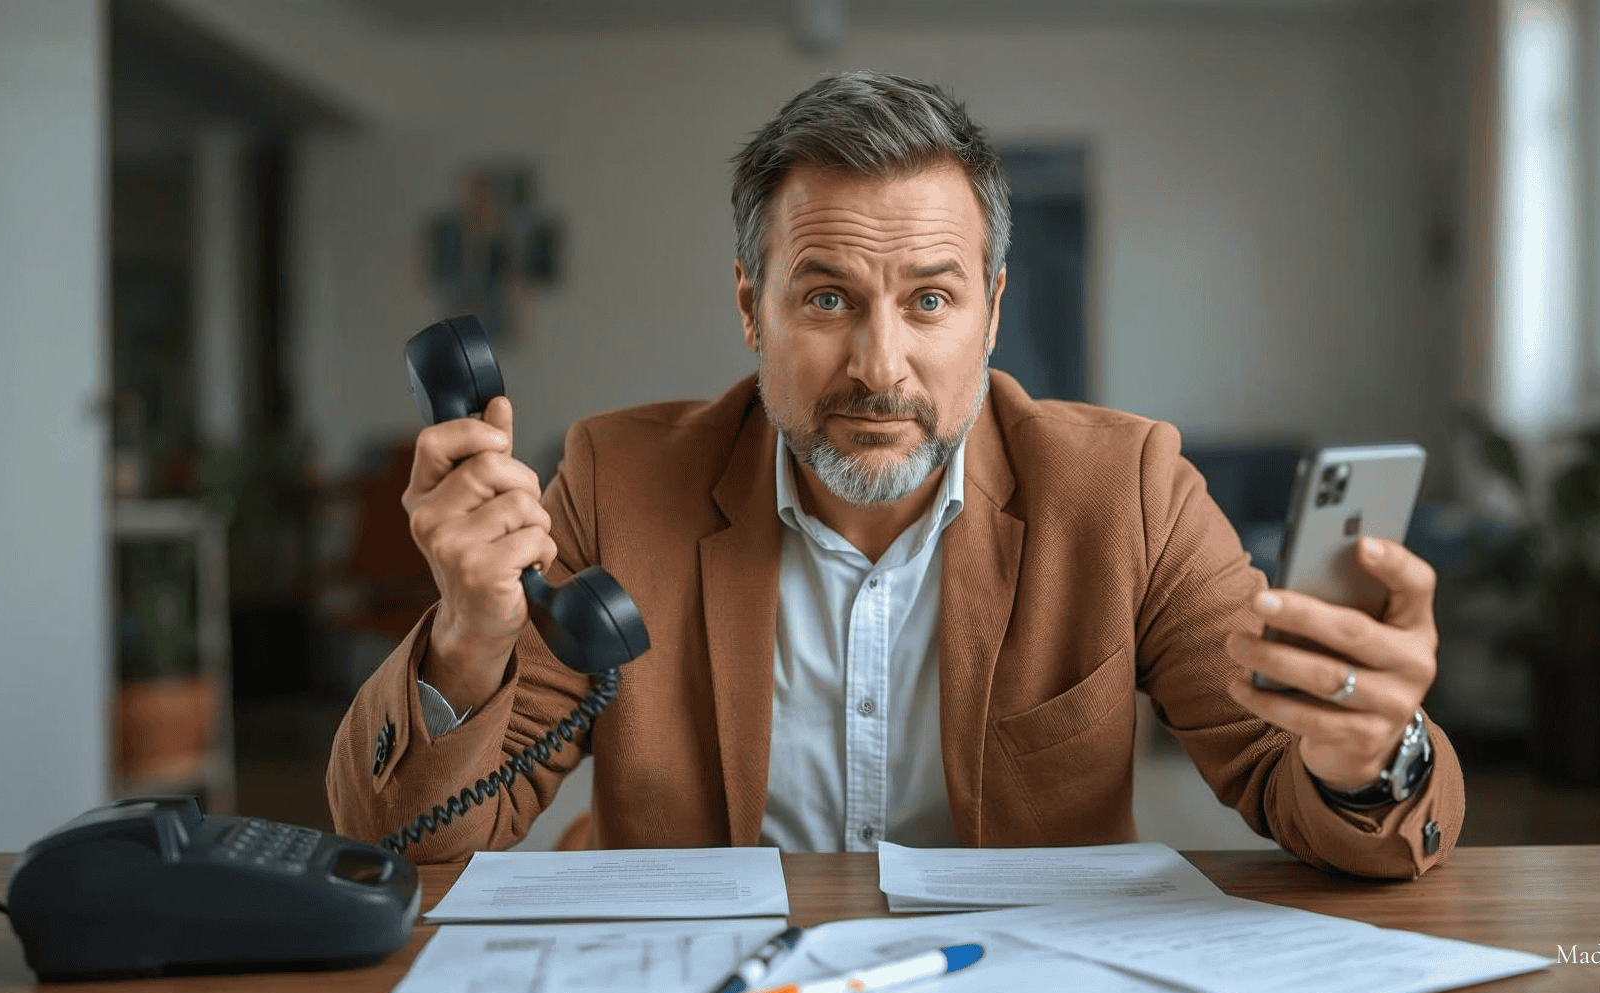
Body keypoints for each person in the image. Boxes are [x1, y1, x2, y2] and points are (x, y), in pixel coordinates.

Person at [327, 71, 1461, 877]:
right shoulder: (616, 481)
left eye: (930, 299)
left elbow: (1290, 771)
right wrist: (471, 633)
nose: (881, 365)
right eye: (826, 298)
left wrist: (1370, 753)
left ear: (993, 311)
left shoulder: (1131, 491)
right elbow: (411, 842)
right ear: (749, 309)